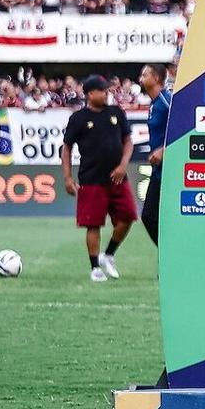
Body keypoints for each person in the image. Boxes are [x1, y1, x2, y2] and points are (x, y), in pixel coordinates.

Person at [61, 73, 135, 282]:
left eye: (107, 90)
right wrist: (67, 178)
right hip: (91, 179)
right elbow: (66, 148)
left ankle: (109, 254)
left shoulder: (116, 113)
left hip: (118, 178)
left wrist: (123, 165)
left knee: (128, 216)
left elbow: (128, 141)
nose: (106, 94)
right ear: (90, 94)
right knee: (93, 224)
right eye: (102, 91)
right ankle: (95, 267)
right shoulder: (78, 118)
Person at [137, 61, 172, 246]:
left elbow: (183, 128)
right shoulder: (155, 103)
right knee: (151, 217)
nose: (141, 78)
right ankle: (170, 259)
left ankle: (171, 258)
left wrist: (164, 150)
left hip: (170, 172)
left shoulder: (167, 101)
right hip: (158, 171)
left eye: (145, 74)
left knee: (151, 216)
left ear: (156, 78)